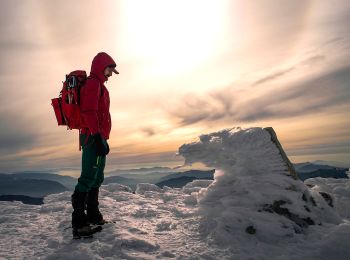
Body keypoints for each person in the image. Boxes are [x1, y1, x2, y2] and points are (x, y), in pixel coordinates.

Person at [71, 52, 119, 238]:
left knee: (97, 176)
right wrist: (97, 136)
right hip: (92, 137)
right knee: (88, 176)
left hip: (99, 137)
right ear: (100, 67)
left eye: (112, 71)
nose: (110, 74)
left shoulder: (100, 86)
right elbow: (88, 111)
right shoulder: (92, 84)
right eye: (109, 70)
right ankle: (79, 223)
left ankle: (93, 215)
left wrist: (103, 137)